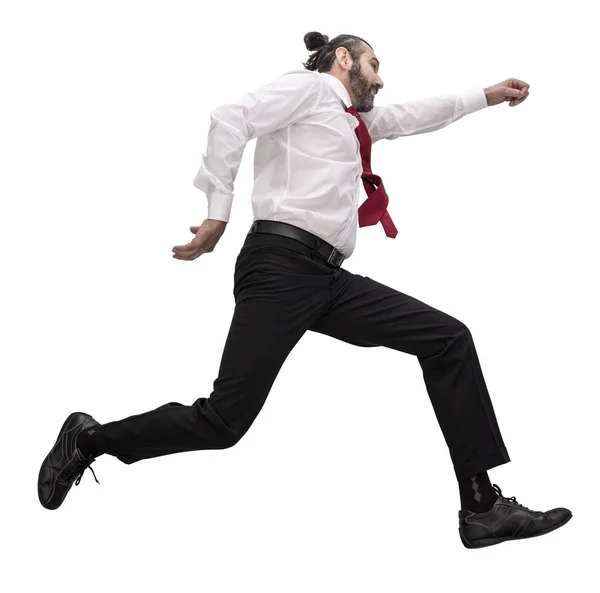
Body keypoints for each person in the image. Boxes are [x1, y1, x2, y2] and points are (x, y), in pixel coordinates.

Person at [38, 31, 572, 548]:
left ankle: (481, 508)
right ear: (343, 59)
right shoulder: (310, 89)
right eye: (375, 65)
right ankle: (89, 439)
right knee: (224, 421)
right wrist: (217, 213)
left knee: (447, 338)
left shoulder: (347, 119)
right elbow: (230, 117)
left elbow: (411, 116)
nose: (381, 81)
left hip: (327, 278)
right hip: (280, 267)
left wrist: (487, 95)